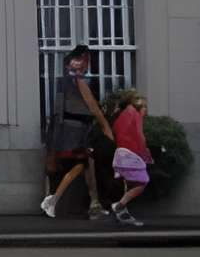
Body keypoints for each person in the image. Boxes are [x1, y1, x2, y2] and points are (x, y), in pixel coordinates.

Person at [40, 45, 110, 220]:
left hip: (72, 133)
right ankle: (54, 200)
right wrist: (106, 127)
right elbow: (92, 106)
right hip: (75, 133)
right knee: (81, 164)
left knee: (85, 165)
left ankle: (93, 203)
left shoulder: (65, 81)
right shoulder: (76, 80)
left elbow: (59, 111)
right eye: (81, 60)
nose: (84, 64)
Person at [103, 87, 155, 228]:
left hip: (120, 154)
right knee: (143, 181)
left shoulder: (122, 115)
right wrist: (145, 154)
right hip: (130, 155)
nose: (146, 110)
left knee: (131, 185)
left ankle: (123, 214)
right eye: (145, 107)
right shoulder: (135, 114)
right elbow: (140, 135)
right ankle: (119, 206)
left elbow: (118, 132)